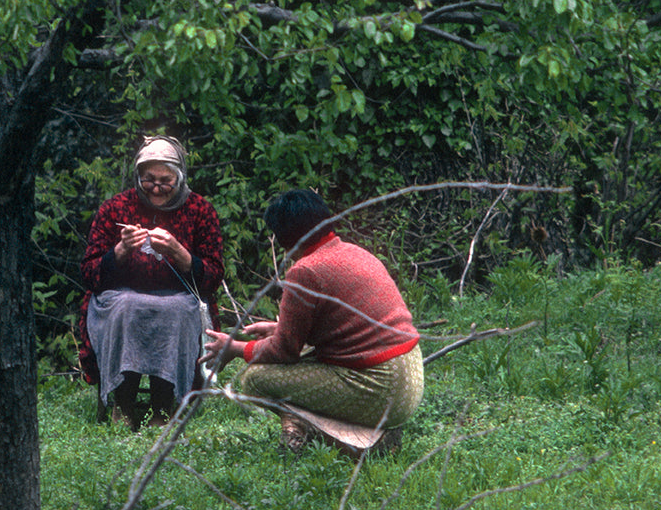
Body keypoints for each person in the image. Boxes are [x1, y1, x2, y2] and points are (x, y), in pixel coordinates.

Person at [202, 188, 423, 449]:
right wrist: (278, 328)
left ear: (284, 238)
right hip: (412, 374)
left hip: (383, 389)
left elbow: (285, 351)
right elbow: (341, 324)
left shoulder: (306, 270)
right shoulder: (354, 251)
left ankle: (336, 437)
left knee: (254, 379)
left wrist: (235, 348)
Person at [79, 136, 224, 427]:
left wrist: (179, 253)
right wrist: (120, 251)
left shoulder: (200, 210)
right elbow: (89, 273)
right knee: (126, 307)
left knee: (177, 311)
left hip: (177, 297)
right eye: (148, 180)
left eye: (165, 181)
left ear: (180, 178)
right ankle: (124, 404)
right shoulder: (115, 208)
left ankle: (163, 406)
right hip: (121, 295)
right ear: (137, 177)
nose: (156, 188)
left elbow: (213, 277)